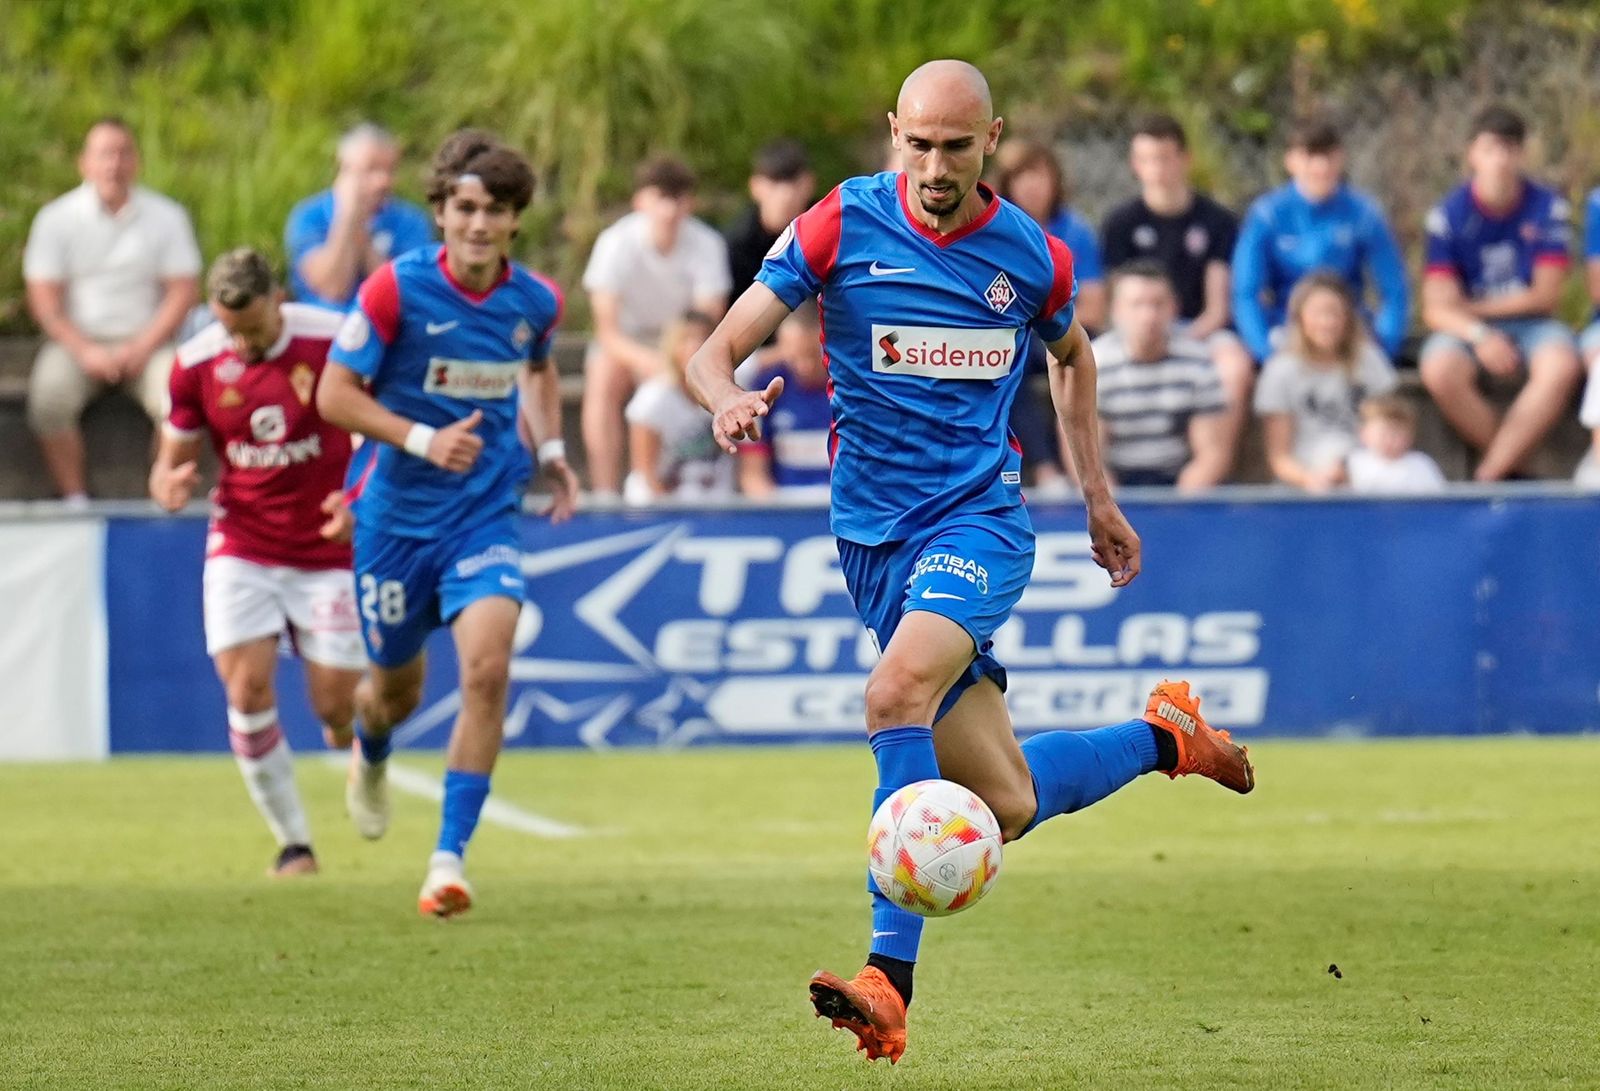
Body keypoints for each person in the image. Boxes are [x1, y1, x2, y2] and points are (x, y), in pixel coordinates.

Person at [685, 59, 1255, 1065]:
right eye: (917, 144)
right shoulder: (836, 225)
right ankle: (1166, 736)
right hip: (870, 540)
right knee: (1002, 803)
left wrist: (1096, 495)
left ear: (993, 138)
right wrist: (722, 397)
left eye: (955, 146)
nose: (935, 166)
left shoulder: (1029, 256)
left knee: (893, 692)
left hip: (978, 523)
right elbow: (712, 348)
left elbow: (1072, 357)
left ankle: (886, 981)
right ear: (891, 132)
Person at [317, 130, 579, 917]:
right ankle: (372, 748)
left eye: (493, 210)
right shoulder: (394, 291)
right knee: (392, 692)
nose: (477, 223)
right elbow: (333, 395)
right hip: (395, 521)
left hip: (483, 515)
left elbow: (536, 367)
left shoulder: (534, 301)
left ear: (513, 221)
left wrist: (554, 448)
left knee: (487, 671)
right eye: (464, 207)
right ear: (440, 212)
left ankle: (447, 859)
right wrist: (425, 438)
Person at [149, 249, 363, 877]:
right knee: (245, 689)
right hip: (243, 543)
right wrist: (167, 482)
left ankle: (353, 736)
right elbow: (172, 457)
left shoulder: (333, 339)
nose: (239, 343)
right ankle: (294, 843)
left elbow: (377, 428)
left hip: (329, 545)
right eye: (228, 329)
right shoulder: (195, 363)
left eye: (252, 328)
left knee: (334, 709)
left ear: (280, 299)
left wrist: (359, 496)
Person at [24, 117, 202, 503]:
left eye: (122, 154)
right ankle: (75, 501)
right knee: (48, 398)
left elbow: (183, 291)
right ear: (84, 163)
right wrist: (85, 350)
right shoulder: (56, 219)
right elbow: (44, 299)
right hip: (77, 343)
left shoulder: (167, 217)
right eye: (104, 154)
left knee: (179, 400)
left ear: (136, 162)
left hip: (149, 341)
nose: (114, 164)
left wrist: (140, 346)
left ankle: (163, 493)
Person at [1419, 105, 1583, 482]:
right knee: (1439, 369)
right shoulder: (1448, 215)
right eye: (1491, 149)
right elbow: (1436, 308)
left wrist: (1472, 307)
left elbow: (1546, 296)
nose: (1501, 160)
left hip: (1533, 325)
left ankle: (1490, 473)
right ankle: (1521, 472)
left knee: (1560, 366)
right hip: (1469, 329)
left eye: (1510, 149)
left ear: (1522, 155)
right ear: (1472, 154)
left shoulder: (1547, 207)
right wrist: (1479, 333)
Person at [1101, 114, 1253, 454]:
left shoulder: (1217, 220)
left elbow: (1217, 308)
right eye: (1146, 159)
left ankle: (1212, 466)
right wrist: (1147, 334)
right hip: (1138, 329)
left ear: (1185, 159)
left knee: (1235, 366)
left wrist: (1181, 339)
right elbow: (1117, 301)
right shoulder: (1120, 223)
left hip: (1197, 331)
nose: (1156, 168)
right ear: (1135, 164)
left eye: (1164, 158)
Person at [581, 156, 731, 496]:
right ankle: (604, 493)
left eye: (677, 197)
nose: (669, 208)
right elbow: (607, 332)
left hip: (683, 342)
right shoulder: (615, 243)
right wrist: (653, 363)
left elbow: (707, 321)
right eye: (660, 196)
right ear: (640, 200)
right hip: (628, 344)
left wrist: (676, 357)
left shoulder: (707, 244)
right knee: (603, 373)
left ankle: (706, 483)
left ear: (690, 202)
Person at [1231, 119, 1409, 367]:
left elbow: (1394, 289)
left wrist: (1384, 348)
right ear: (1290, 161)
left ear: (1340, 158)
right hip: (1287, 328)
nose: (1320, 166)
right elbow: (1245, 292)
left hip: (1348, 328)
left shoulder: (1363, 214)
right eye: (1309, 156)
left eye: (1328, 156)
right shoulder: (1267, 215)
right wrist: (1265, 353)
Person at [991, 140, 1106, 491]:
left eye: (1039, 175)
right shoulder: (995, 232)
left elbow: (1094, 307)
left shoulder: (1075, 232)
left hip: (1064, 330)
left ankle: (1090, 473)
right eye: (1022, 176)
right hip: (1017, 338)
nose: (1032, 185)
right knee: (1008, 360)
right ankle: (1044, 469)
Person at [1254, 272, 1399, 491]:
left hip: (1365, 475)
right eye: (1317, 313)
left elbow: (1391, 426)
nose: (1326, 322)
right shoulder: (1280, 371)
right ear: (1299, 318)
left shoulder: (1370, 361)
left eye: (1334, 313)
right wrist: (1311, 479)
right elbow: (1279, 458)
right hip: (1304, 480)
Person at [1092, 262, 1231, 490]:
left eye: (1158, 304)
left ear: (1174, 308)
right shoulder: (1094, 364)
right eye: (1136, 305)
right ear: (1115, 310)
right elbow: (1085, 455)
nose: (1149, 316)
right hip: (1114, 485)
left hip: (1179, 483)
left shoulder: (1197, 362)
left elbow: (1211, 454)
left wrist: (1178, 507)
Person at [285, 124, 435, 311]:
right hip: (322, 329)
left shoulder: (412, 221)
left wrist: (359, 228)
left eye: (390, 170)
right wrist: (347, 216)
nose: (383, 181)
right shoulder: (309, 216)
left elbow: (402, 296)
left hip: (384, 332)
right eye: (371, 169)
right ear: (344, 170)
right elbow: (333, 289)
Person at [622, 312, 733, 504]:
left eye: (704, 338)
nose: (695, 346)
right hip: (661, 504)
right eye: (687, 339)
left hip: (718, 503)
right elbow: (645, 472)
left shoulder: (732, 394)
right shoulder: (653, 399)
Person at [737, 302, 833, 498]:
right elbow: (753, 476)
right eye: (795, 357)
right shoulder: (765, 389)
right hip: (784, 509)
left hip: (841, 510)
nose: (804, 367)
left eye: (813, 356)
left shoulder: (849, 388)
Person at [724, 139, 816, 305]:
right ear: (755, 186)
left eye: (793, 183)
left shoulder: (828, 228)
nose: (785, 194)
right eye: (774, 183)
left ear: (809, 183)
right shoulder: (737, 244)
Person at [1347, 394, 1446, 495]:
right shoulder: (1354, 464)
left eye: (1397, 434)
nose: (1390, 439)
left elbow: (1437, 501)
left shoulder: (1421, 464)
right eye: (1383, 434)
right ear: (1364, 434)